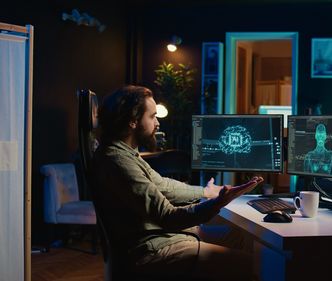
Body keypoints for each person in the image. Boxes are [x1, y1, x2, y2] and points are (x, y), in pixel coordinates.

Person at [92, 85, 263, 281]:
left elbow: (164, 185)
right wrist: (217, 203)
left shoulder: (125, 153)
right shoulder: (118, 162)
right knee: (256, 267)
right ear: (132, 121)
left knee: (237, 237)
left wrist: (206, 192)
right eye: (152, 116)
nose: (157, 123)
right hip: (150, 250)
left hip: (158, 237)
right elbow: (168, 217)